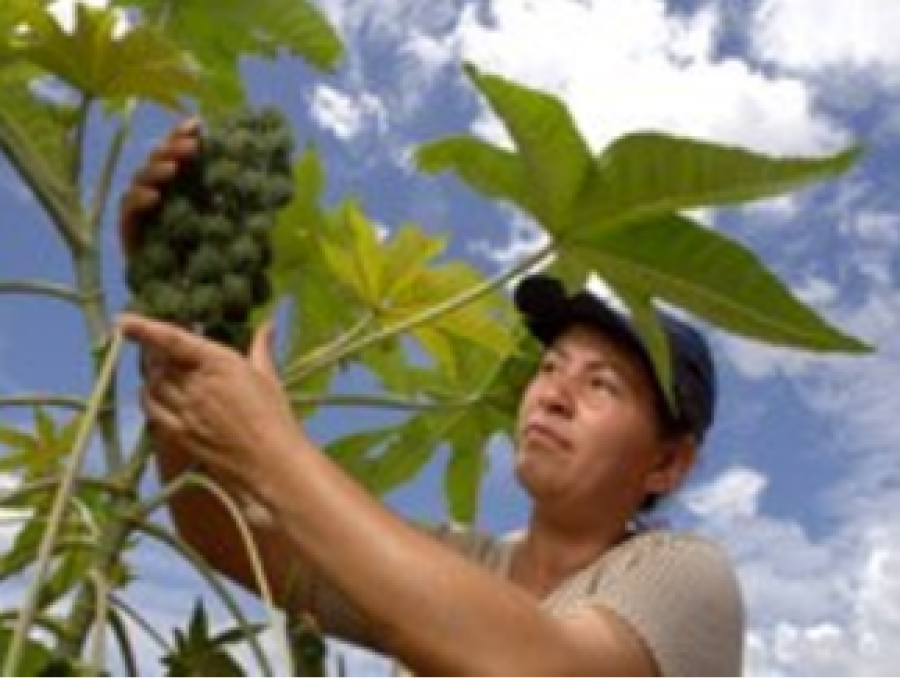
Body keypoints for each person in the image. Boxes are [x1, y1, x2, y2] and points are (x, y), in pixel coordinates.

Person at [117, 120, 745, 676]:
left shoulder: (683, 577)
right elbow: (225, 536)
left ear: (668, 463)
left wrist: (270, 448)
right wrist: (176, 303)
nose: (554, 394)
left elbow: (539, 666)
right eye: (551, 367)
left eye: (601, 383)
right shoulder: (457, 557)